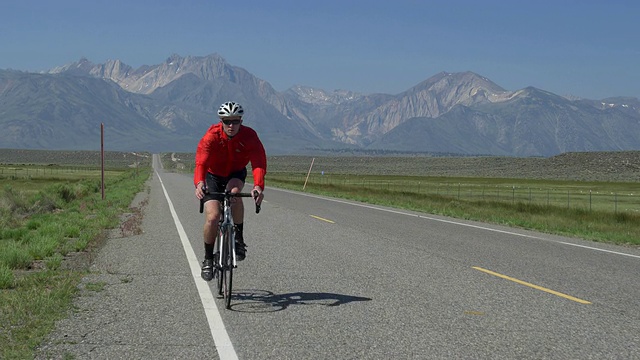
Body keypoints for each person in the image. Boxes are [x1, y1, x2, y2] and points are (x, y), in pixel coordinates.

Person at [194, 101, 266, 281]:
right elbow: (201, 162)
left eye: (235, 121)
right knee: (212, 217)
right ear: (221, 122)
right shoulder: (211, 136)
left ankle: (239, 239)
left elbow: (258, 162)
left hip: (236, 173)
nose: (231, 126)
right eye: (227, 122)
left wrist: (258, 186)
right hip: (213, 175)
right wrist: (199, 183)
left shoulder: (250, 136)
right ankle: (208, 259)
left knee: (234, 193)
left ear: (241, 121)